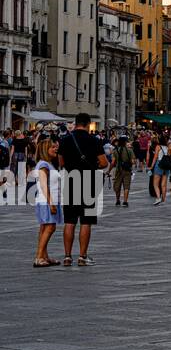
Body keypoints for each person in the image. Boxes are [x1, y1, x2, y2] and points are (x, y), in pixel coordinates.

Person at [57, 113, 107, 267]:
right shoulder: (94, 140)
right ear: (88, 124)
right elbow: (104, 162)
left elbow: (61, 162)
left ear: (76, 123)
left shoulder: (65, 140)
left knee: (69, 221)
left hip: (71, 180)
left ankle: (67, 256)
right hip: (89, 181)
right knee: (86, 221)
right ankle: (82, 256)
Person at [32, 135, 61, 268]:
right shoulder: (43, 165)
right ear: (46, 149)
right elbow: (44, 185)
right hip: (47, 200)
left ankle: (44, 256)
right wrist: (51, 203)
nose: (56, 149)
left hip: (46, 200)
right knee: (50, 227)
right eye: (53, 147)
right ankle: (39, 257)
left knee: (44, 228)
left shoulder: (47, 164)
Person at [111, 134, 134, 206]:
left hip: (118, 170)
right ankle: (125, 201)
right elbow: (133, 161)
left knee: (117, 186)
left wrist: (109, 171)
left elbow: (113, 162)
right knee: (126, 186)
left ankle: (117, 200)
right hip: (127, 170)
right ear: (125, 142)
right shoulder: (129, 150)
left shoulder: (115, 150)